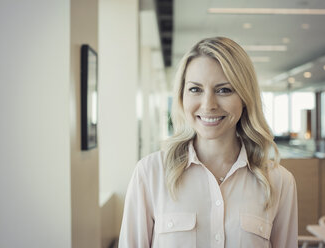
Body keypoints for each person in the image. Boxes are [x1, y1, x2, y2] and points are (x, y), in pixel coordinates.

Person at [119, 37, 298, 248]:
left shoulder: (279, 182)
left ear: (245, 98)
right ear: (181, 97)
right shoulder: (150, 174)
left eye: (224, 90)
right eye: (195, 89)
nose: (208, 105)